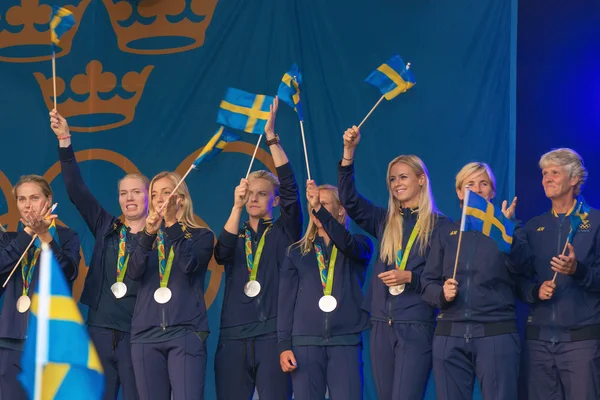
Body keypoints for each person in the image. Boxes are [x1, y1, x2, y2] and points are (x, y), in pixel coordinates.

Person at [338, 126, 449, 400]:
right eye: (392, 179)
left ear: (421, 180)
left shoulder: (441, 227)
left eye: (403, 177)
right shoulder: (384, 221)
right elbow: (349, 201)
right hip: (379, 324)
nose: (397, 183)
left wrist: (410, 278)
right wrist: (348, 153)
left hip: (416, 324)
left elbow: (444, 284)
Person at [51, 109, 145, 400]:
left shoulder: (161, 237)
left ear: (149, 196)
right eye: (123, 193)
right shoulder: (107, 226)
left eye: (136, 192)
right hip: (100, 330)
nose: (129, 199)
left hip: (138, 333)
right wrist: (65, 140)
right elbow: (76, 190)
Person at [213, 97, 302, 399]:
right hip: (233, 337)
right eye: (249, 194)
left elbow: (291, 190)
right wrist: (235, 208)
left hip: (271, 336)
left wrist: (272, 139)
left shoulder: (284, 230)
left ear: (274, 201)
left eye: (261, 194)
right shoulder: (234, 233)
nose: (253, 199)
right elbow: (221, 254)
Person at [421, 162, 520, 400]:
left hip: (495, 333)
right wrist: (442, 294)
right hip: (450, 335)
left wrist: (507, 233)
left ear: (492, 192)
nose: (477, 189)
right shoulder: (445, 233)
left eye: (483, 184)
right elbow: (427, 284)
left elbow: (523, 274)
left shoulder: (509, 230)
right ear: (459, 192)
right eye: (470, 184)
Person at [514, 148, 600, 400]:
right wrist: (534, 291)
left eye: (554, 172)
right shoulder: (532, 226)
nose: (546, 179)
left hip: (581, 342)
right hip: (538, 343)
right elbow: (517, 280)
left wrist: (578, 270)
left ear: (574, 179)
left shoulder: (596, 222)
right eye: (543, 174)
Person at [278, 181, 372, 399]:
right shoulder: (296, 252)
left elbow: (348, 245)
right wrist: (283, 345)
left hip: (345, 341)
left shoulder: (360, 243)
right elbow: (285, 303)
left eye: (322, 204)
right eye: (313, 205)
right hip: (305, 343)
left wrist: (321, 211)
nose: (315, 208)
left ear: (341, 210)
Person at [128, 171, 214, 400]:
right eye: (155, 194)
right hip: (145, 336)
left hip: (184, 332)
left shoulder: (201, 236)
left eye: (167, 193)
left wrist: (172, 224)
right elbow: (133, 273)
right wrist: (148, 234)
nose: (159, 199)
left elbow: (189, 266)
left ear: (181, 199)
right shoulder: (142, 237)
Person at [0, 175, 80, 400]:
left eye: (34, 198)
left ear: (49, 200)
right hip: (10, 339)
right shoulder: (9, 240)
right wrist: (27, 234)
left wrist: (45, 235)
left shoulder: (66, 236)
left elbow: (67, 272)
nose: (27, 205)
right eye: (22, 199)